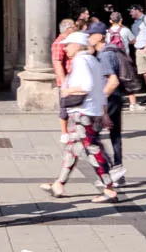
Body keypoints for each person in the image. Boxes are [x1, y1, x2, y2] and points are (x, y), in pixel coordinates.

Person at [40, 30, 119, 204]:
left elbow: (87, 86)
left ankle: (109, 188)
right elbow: (99, 88)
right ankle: (58, 184)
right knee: (72, 148)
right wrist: (103, 112)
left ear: (77, 45)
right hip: (92, 111)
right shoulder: (93, 60)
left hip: (83, 112)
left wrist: (67, 90)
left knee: (92, 149)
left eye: (68, 45)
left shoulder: (81, 60)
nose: (65, 48)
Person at [90, 20, 128, 185]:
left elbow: (112, 81)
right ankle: (118, 170)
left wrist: (100, 99)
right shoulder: (109, 51)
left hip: (109, 100)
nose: (88, 39)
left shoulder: (104, 54)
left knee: (92, 137)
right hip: (115, 99)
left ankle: (108, 172)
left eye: (90, 36)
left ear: (98, 36)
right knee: (115, 136)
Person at [51, 15, 76, 140]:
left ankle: (73, 130)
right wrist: (63, 81)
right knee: (65, 107)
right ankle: (64, 133)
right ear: (68, 29)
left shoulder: (69, 42)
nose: (76, 28)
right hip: (66, 80)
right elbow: (57, 62)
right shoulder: (59, 43)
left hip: (73, 79)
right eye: (74, 26)